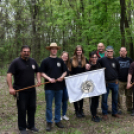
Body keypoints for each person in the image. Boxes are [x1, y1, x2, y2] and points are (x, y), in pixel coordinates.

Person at [7, 45, 41, 134]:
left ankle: (31, 125)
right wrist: (10, 88)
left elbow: (38, 71)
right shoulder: (16, 62)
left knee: (32, 108)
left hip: (31, 90)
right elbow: (9, 74)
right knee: (22, 109)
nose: (26, 53)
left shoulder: (33, 61)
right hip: (20, 91)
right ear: (21, 52)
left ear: (30, 52)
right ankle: (22, 128)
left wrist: (39, 80)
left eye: (28, 51)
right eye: (24, 51)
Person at [40, 43, 67, 131]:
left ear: (57, 50)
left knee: (58, 104)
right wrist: (49, 78)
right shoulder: (45, 61)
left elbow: (65, 71)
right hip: (49, 88)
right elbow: (42, 72)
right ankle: (49, 122)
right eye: (52, 49)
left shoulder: (60, 61)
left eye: (55, 49)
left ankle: (57, 120)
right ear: (50, 50)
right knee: (49, 106)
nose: (54, 50)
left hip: (59, 87)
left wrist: (62, 77)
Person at [97, 46, 120, 120]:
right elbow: (95, 62)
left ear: (113, 52)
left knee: (115, 98)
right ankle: (105, 113)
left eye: (111, 51)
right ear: (106, 52)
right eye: (108, 51)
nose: (110, 53)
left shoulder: (116, 60)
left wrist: (117, 79)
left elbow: (118, 70)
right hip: (106, 83)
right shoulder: (102, 60)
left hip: (115, 82)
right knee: (104, 99)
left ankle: (114, 112)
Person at [70, 45, 90, 118]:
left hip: (82, 81)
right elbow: (70, 70)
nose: (79, 51)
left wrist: (88, 66)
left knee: (81, 96)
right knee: (75, 96)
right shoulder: (72, 59)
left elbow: (87, 69)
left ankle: (81, 110)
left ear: (82, 51)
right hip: (74, 81)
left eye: (80, 50)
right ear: (76, 51)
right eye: (78, 50)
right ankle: (76, 110)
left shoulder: (85, 59)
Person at [116, 47, 133, 114]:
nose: (123, 52)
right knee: (119, 96)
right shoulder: (116, 60)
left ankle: (129, 108)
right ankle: (119, 108)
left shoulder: (130, 60)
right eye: (121, 51)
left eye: (124, 51)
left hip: (129, 81)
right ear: (119, 52)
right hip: (120, 80)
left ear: (126, 52)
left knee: (129, 95)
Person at [89, 51, 101, 122]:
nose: (94, 58)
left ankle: (95, 114)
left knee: (96, 101)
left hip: (98, 86)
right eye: (93, 57)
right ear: (90, 58)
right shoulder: (89, 66)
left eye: (95, 57)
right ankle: (93, 115)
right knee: (92, 101)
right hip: (91, 87)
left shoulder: (99, 65)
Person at [60, 51, 71, 121]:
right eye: (64, 56)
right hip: (59, 85)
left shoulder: (68, 65)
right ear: (61, 56)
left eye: (66, 56)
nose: (65, 57)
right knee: (59, 101)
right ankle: (59, 115)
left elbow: (69, 74)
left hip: (66, 86)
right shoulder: (58, 63)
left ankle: (64, 114)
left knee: (65, 100)